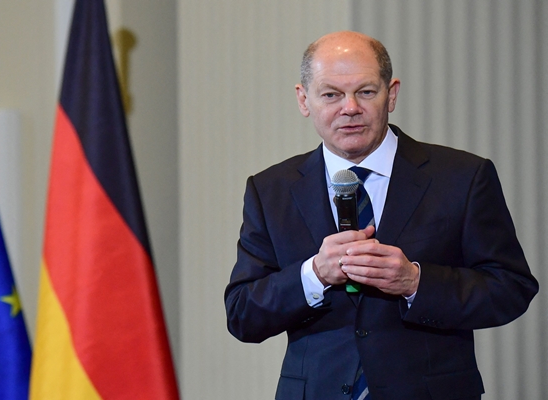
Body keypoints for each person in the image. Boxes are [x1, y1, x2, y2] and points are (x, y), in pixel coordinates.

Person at [224, 31, 538, 400]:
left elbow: (510, 288)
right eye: (331, 94)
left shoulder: (462, 177)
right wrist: (314, 274)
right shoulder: (270, 190)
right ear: (303, 99)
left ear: (391, 94)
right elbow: (242, 314)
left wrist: (415, 282)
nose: (350, 108)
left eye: (366, 92)